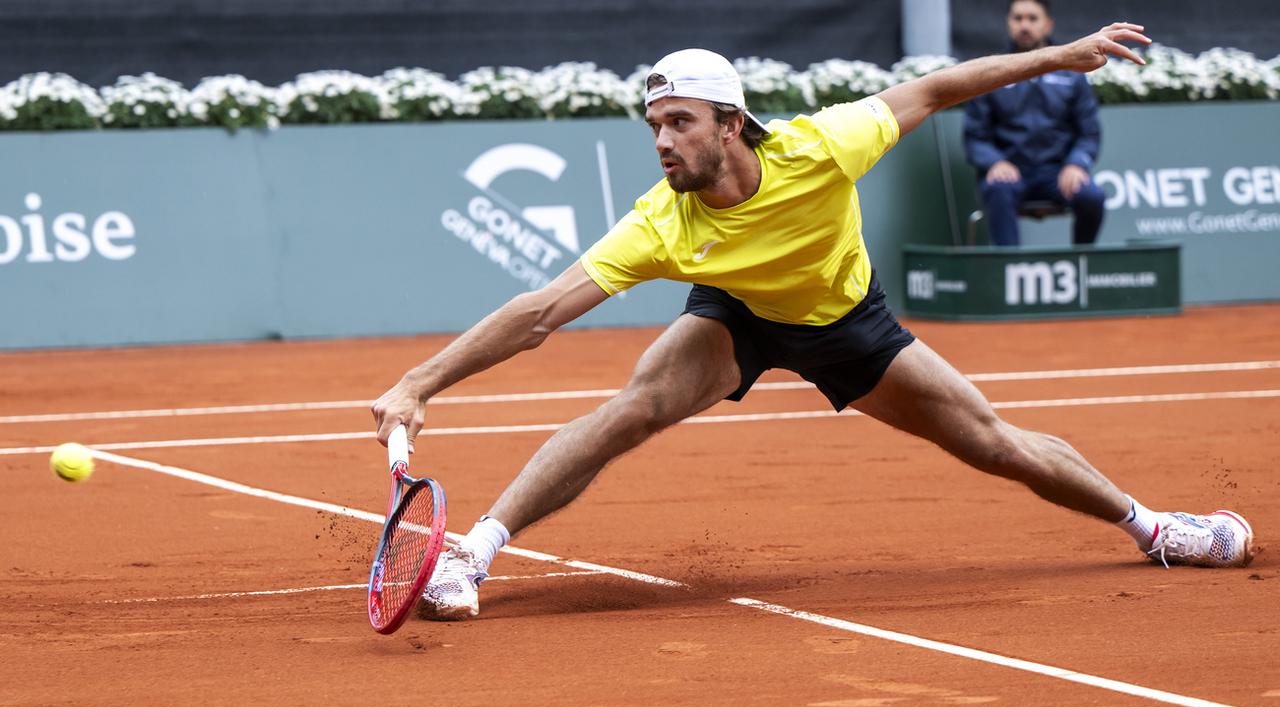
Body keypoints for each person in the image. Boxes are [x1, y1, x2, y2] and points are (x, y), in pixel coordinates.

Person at [373, 24, 1254, 621]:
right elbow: (537, 315)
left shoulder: (824, 146)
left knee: (991, 441)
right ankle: (470, 554)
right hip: (738, 316)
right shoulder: (662, 221)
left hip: (844, 323)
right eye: (653, 126)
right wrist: (419, 383)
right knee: (632, 408)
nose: (662, 142)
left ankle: (1155, 528)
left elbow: (937, 86)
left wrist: (1059, 55)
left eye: (679, 122)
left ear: (731, 124)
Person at [964, 0, 1108, 246]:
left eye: (1032, 18)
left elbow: (1089, 133)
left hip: (1057, 173)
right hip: (1011, 173)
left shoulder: (1072, 73)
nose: (1024, 25)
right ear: (1009, 23)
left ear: (1048, 24)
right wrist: (994, 162)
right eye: (1018, 18)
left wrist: (1076, 164)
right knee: (998, 188)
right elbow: (976, 137)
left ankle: (1080, 265)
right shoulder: (991, 71)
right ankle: (1010, 272)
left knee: (1092, 196)